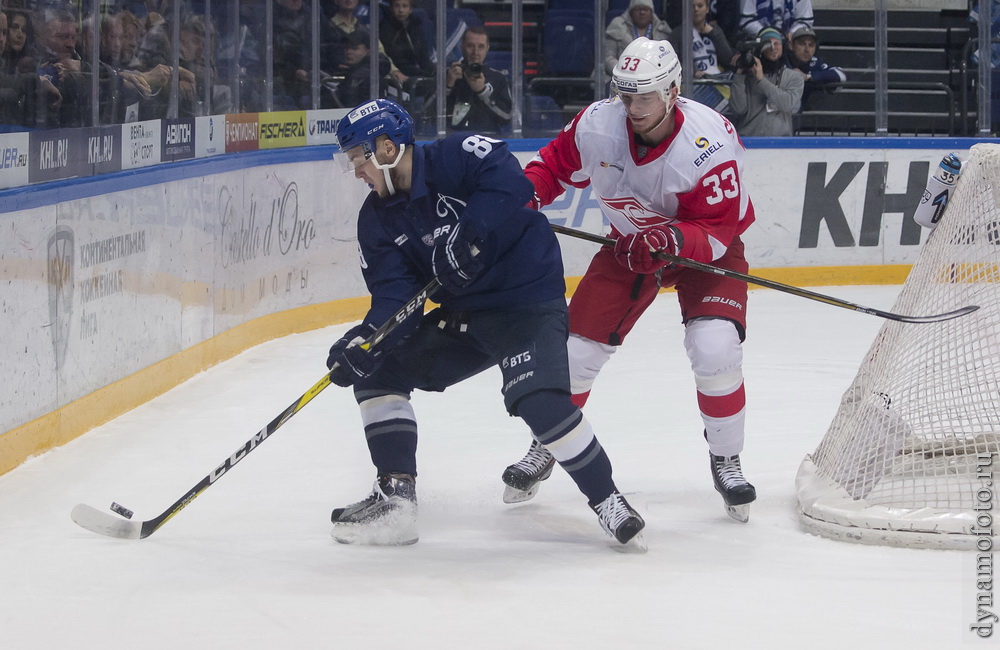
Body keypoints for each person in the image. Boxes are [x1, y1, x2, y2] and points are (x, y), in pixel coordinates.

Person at [326, 97, 646, 550]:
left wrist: (470, 233)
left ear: (386, 146)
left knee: (539, 402)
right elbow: (394, 300)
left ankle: (608, 500)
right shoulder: (376, 220)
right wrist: (365, 340)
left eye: (359, 157)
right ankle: (395, 498)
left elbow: (510, 183)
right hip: (465, 315)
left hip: (526, 302)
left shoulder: (455, 156)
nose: (356, 170)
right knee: (379, 368)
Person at [501, 36, 758, 523]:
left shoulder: (711, 143)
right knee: (572, 355)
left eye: (645, 96)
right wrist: (521, 196)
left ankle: (726, 456)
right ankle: (547, 443)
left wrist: (672, 242)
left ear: (673, 91)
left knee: (715, 348)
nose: (633, 107)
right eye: (626, 95)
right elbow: (552, 165)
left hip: (704, 254)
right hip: (628, 249)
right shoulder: (599, 124)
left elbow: (721, 229)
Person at [727, 26, 802, 136]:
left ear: (782, 46)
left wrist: (761, 80)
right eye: (768, 44)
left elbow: (787, 104)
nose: (773, 48)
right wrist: (739, 76)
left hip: (781, 143)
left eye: (776, 43)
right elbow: (738, 109)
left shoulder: (794, 77)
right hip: (750, 139)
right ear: (759, 48)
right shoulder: (747, 76)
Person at [667, 0, 734, 113]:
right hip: (694, 85)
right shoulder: (677, 33)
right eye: (692, 6)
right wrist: (693, 72)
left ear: (707, 8)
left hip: (718, 82)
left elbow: (728, 60)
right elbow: (672, 61)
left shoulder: (716, 30)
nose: (696, 9)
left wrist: (714, 34)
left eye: (700, 5)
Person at [444, 25, 511, 134]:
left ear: (487, 49)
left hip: (488, 139)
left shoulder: (498, 78)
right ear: (462, 47)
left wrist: (483, 92)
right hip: (453, 138)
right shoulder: (448, 74)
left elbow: (507, 117)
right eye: (470, 46)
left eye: (480, 46)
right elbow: (426, 113)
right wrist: (447, 86)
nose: (475, 52)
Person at [781, 23, 844, 110]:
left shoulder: (814, 62)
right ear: (791, 45)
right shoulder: (780, 60)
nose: (807, 50)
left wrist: (808, 77)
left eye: (811, 45)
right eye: (802, 44)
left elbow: (841, 75)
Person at [605, 0, 671, 76]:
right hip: (620, 78)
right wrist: (624, 72)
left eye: (646, 9)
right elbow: (608, 58)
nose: (642, 12)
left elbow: (667, 60)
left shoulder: (662, 31)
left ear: (652, 13)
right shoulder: (617, 26)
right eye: (638, 9)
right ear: (631, 12)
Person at [333, 29, 389, 107]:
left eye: (354, 48)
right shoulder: (353, 70)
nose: (348, 52)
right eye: (347, 48)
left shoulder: (364, 75)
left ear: (369, 52)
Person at [737, 0, 813, 40]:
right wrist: (768, 34)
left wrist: (792, 32)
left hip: (789, 42)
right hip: (758, 41)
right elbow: (746, 20)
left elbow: (805, 20)